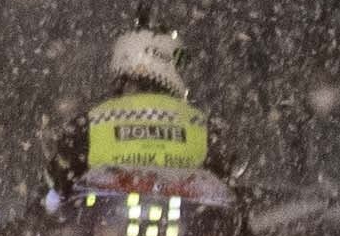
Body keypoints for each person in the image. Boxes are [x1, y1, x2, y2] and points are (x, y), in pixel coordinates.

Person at [47, 28, 236, 197]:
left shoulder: (89, 122)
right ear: (166, 62)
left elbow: (59, 180)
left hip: (108, 227)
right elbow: (224, 180)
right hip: (186, 226)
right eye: (179, 64)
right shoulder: (202, 125)